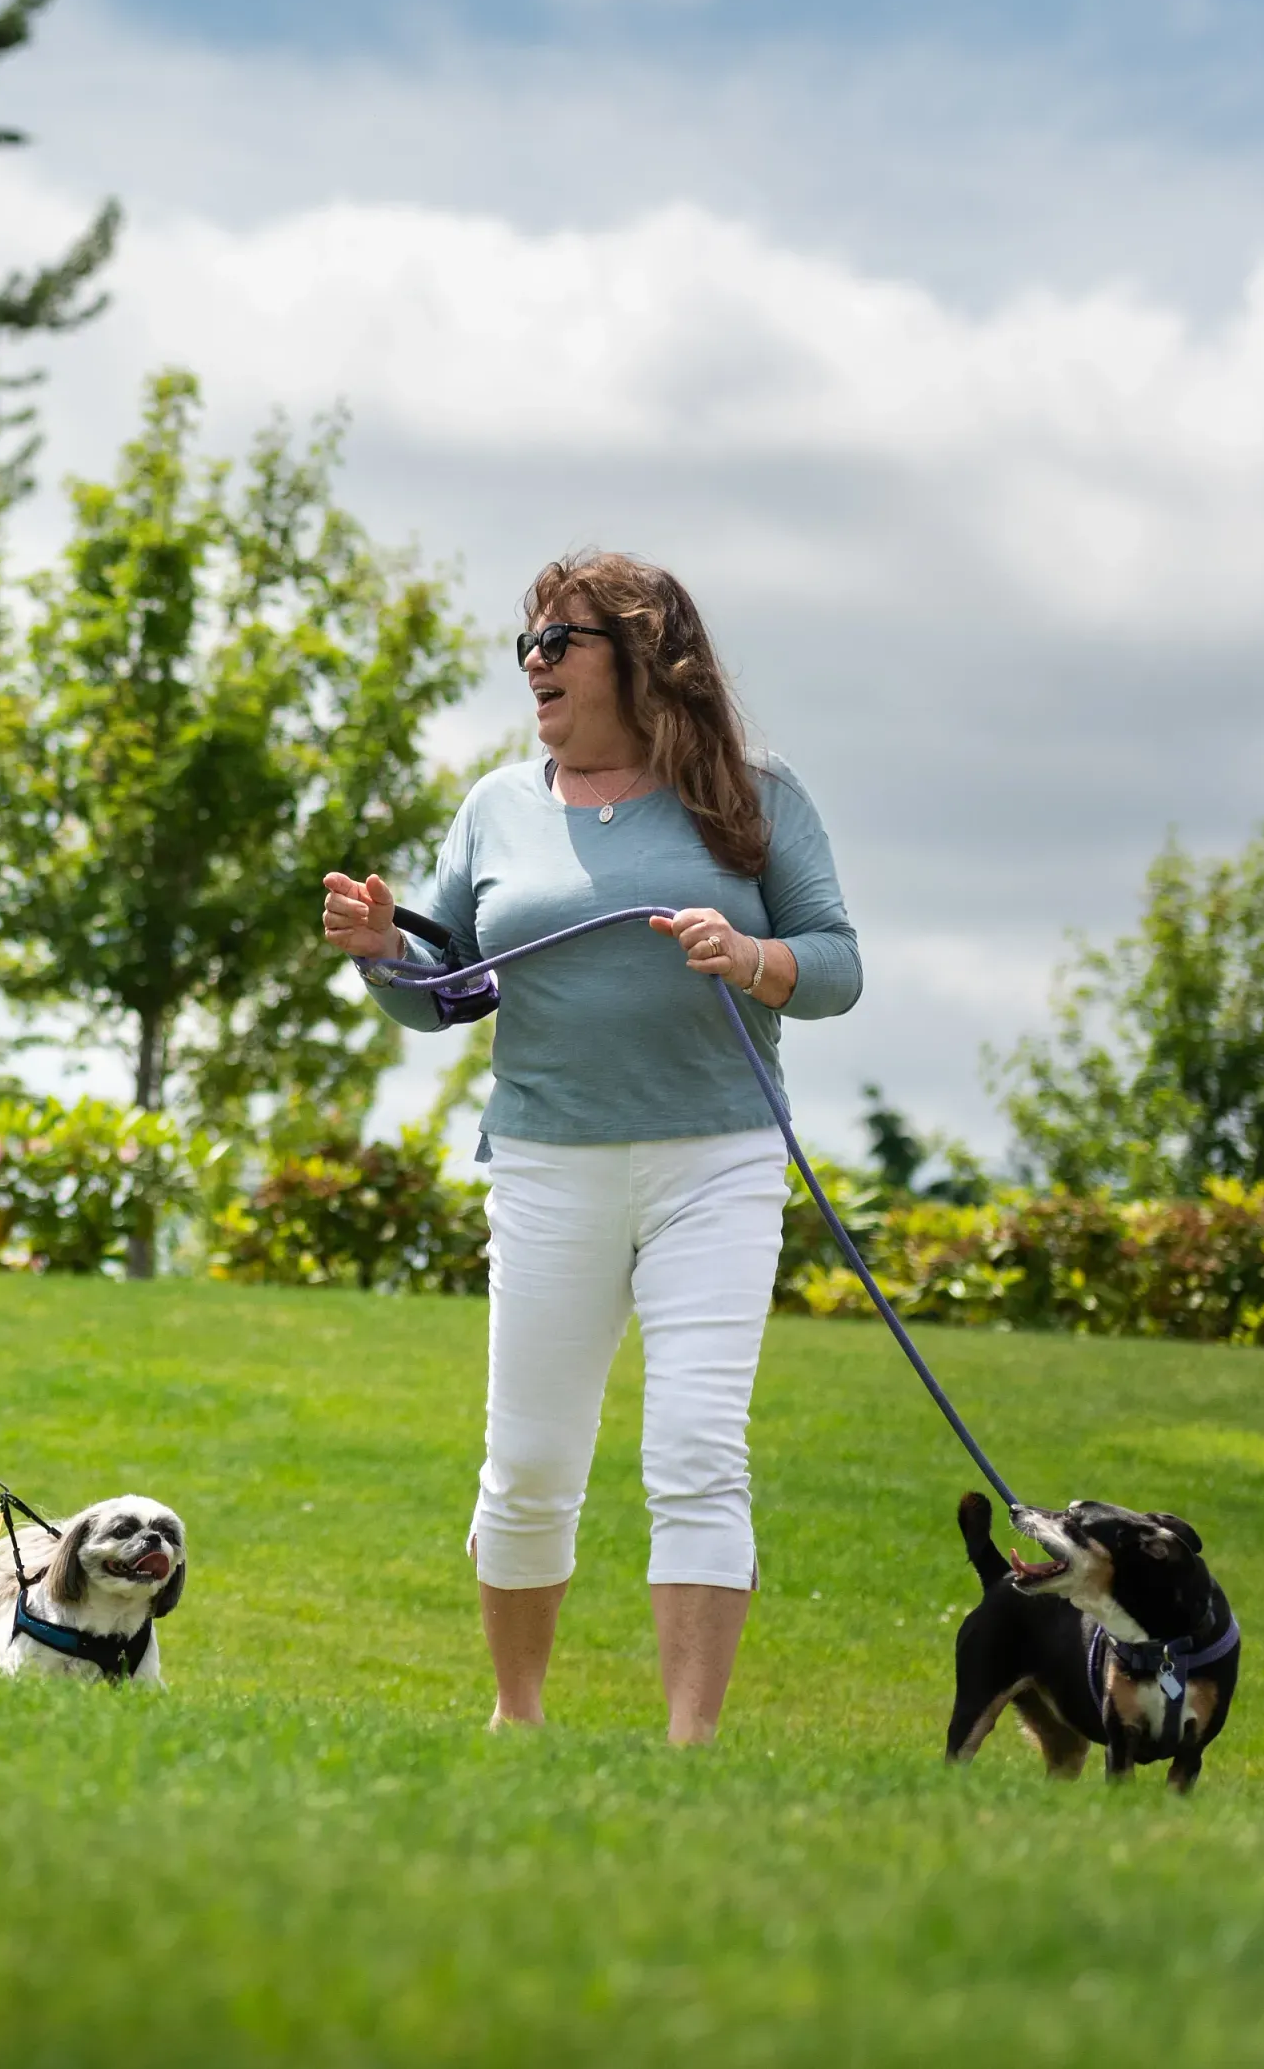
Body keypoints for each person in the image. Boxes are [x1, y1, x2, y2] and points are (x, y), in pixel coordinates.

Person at [318, 551, 858, 1743]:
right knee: (528, 1461)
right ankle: (518, 1721)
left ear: (644, 657)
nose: (533, 665)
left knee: (698, 1448)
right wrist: (378, 954)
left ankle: (687, 1753)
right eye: (527, 645)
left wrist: (752, 955)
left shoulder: (756, 794)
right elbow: (449, 993)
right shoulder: (495, 808)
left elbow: (836, 965)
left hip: (715, 1163)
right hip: (547, 1164)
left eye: (559, 642)